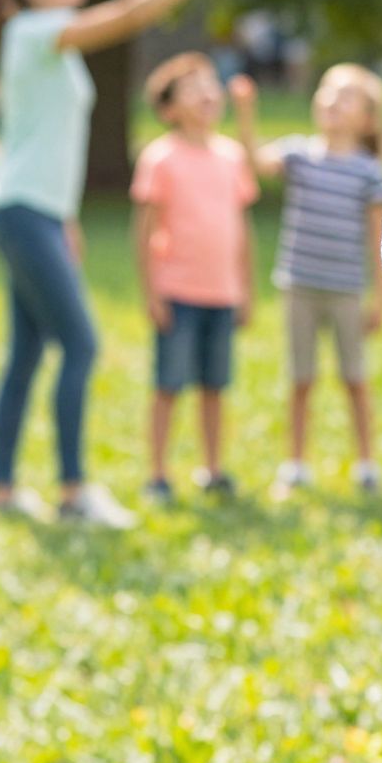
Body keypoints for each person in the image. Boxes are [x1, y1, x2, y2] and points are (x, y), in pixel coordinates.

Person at [0, 0, 253, 525]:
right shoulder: (36, 30)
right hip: (21, 209)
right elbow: (127, 13)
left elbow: (41, 135)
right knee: (80, 343)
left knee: (26, 352)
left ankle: (2, 491)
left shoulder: (37, 36)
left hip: (30, 209)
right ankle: (72, 495)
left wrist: (64, 215)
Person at [230, 65, 382, 496]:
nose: (331, 99)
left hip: (345, 290)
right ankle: (296, 462)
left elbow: (378, 241)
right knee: (301, 378)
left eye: (345, 95)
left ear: (367, 118)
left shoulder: (369, 172)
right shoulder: (298, 154)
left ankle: (366, 462)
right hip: (298, 285)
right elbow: (254, 163)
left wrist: (379, 301)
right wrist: (246, 112)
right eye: (327, 90)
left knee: (354, 379)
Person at [131, 53, 257, 502]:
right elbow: (143, 231)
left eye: (210, 83)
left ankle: (212, 467)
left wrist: (247, 289)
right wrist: (151, 293)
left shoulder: (231, 155)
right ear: (168, 109)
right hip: (177, 291)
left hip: (222, 293)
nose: (207, 92)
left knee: (214, 386)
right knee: (168, 384)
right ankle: (158, 472)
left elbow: (242, 228)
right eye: (192, 87)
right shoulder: (160, 158)